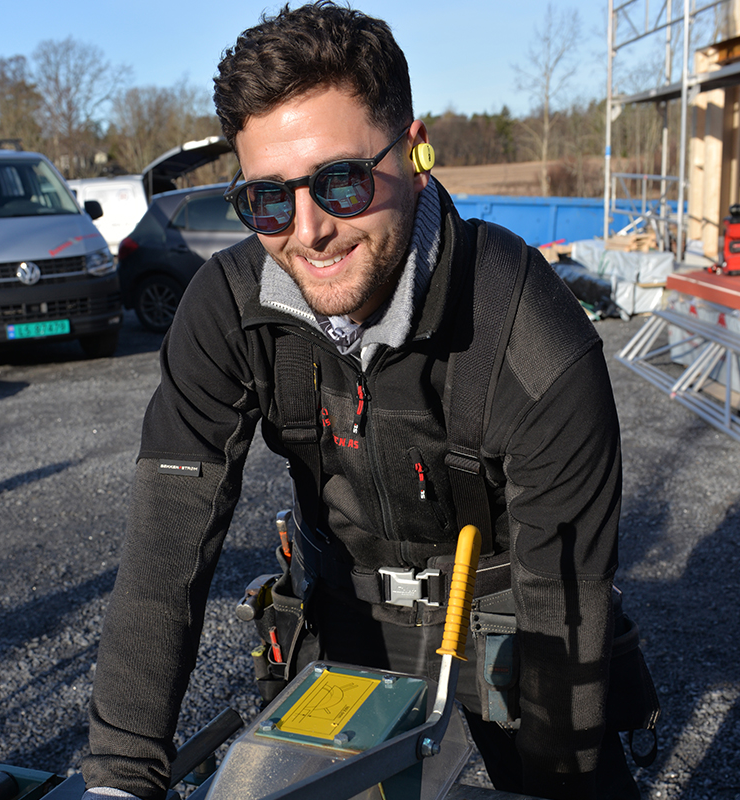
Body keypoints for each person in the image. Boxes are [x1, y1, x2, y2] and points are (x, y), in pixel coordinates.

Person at [82, 3, 639, 799]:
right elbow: (163, 548)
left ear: (414, 153)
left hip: (513, 613)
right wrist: (119, 780)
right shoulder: (228, 309)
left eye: (341, 182)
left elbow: (563, 607)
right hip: (343, 609)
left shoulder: (528, 335)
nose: (308, 232)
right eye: (267, 199)